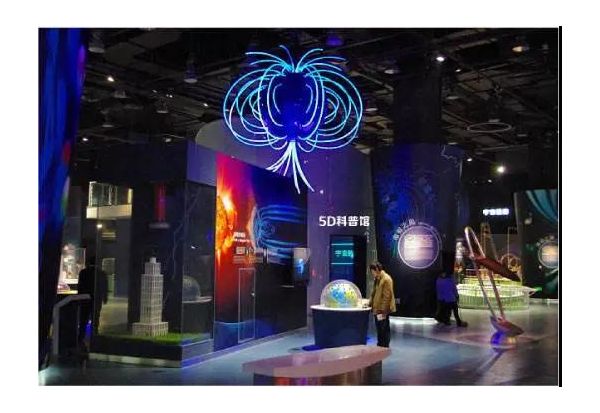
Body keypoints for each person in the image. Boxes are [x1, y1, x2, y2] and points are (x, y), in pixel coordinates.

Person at [77, 255, 108, 347]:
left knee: (83, 319)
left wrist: (79, 297)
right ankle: (94, 335)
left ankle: (81, 337)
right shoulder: (102, 273)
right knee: (95, 317)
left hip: (85, 298)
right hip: (97, 299)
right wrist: (104, 297)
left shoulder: (83, 272)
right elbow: (104, 286)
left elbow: (80, 286)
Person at [435, 251, 467, 327]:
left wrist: (440, 298)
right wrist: (457, 296)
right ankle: (457, 322)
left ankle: (446, 321)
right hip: (451, 298)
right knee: (454, 311)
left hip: (444, 299)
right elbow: (454, 289)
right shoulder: (450, 279)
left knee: (447, 310)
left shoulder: (438, 280)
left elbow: (438, 290)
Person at [368, 262, 396, 347]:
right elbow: (374, 293)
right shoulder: (377, 279)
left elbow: (387, 297)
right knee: (379, 328)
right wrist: (369, 304)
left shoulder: (386, 279)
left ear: (377, 269)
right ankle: (380, 344)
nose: (372, 273)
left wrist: (383, 311)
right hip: (377, 309)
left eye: (372, 271)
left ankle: (384, 345)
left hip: (382, 310)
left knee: (383, 328)